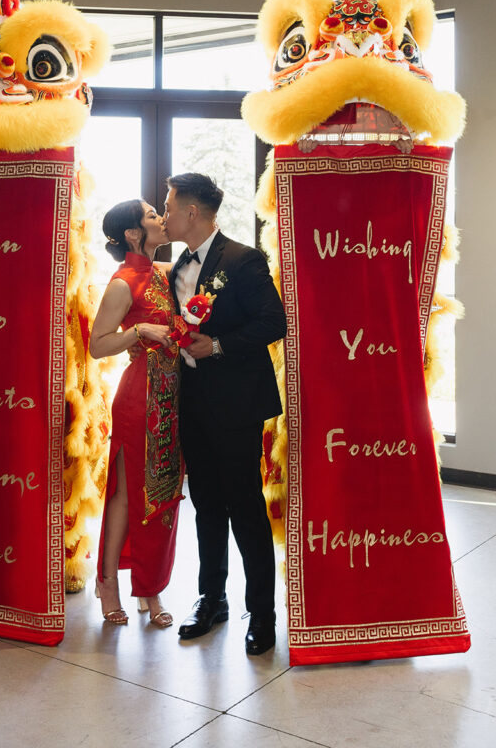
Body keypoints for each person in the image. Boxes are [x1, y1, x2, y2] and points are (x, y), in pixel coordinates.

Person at [163, 173, 286, 655]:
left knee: (245, 507)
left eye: (170, 205)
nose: (165, 212)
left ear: (192, 212)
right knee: (206, 505)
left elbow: (274, 321)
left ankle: (262, 612)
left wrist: (215, 344)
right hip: (192, 402)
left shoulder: (242, 259)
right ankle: (211, 599)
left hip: (237, 403)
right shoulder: (174, 269)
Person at [89, 198, 183, 628]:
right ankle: (108, 583)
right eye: (151, 215)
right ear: (133, 233)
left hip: (173, 397)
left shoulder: (164, 275)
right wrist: (138, 331)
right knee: (129, 496)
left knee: (164, 498)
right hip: (139, 395)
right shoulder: (124, 282)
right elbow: (98, 345)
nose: (161, 219)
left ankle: (150, 587)